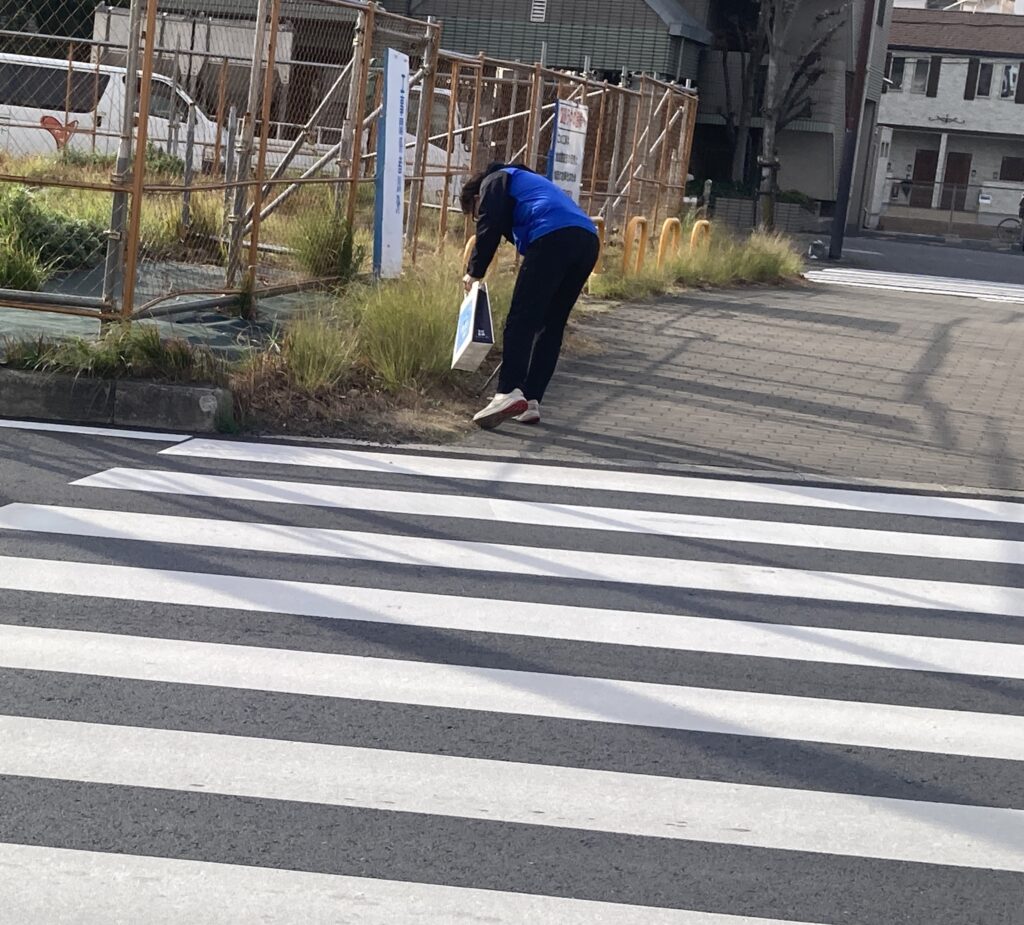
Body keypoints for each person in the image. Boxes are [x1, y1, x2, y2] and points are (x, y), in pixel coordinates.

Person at [461, 162, 600, 429]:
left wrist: (474, 272)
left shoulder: (494, 181)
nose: (478, 217)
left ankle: (508, 391)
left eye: (475, 213)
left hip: (553, 236)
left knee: (521, 319)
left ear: (477, 197)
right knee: (551, 325)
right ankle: (531, 399)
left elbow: (489, 227)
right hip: (587, 241)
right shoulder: (527, 183)